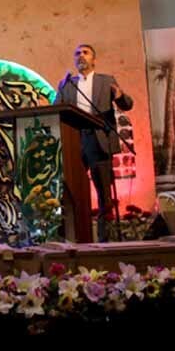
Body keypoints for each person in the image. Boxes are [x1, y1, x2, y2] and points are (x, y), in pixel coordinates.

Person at [54, 44, 133, 242]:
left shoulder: (106, 81)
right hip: (74, 141)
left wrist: (120, 96)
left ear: (93, 60)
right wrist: (59, 91)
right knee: (73, 191)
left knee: (104, 192)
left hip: (99, 141)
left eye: (85, 53)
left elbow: (127, 105)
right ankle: (77, 238)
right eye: (77, 53)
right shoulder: (67, 84)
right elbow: (56, 109)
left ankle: (105, 239)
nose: (81, 56)